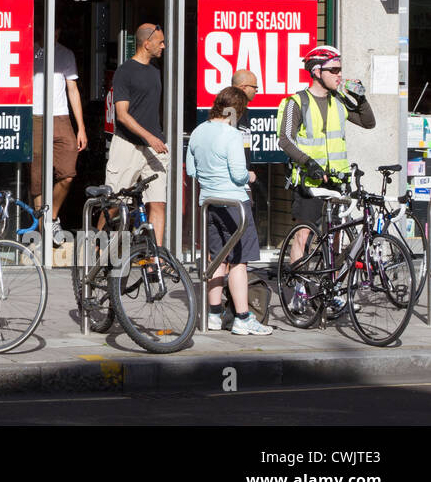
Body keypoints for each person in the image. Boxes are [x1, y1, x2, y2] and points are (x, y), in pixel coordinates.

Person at [278, 45, 375, 264]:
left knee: (337, 237)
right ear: (316, 72)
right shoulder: (297, 102)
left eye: (340, 69)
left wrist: (361, 100)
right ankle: (300, 292)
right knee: (304, 235)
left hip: (337, 180)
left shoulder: (339, 101)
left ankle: (331, 288)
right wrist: (308, 162)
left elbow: (369, 123)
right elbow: (284, 139)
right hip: (310, 181)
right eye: (333, 70)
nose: (339, 74)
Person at [187, 87, 272, 335]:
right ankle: (243, 318)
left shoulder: (198, 132)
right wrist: (251, 176)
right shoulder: (231, 134)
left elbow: (192, 171)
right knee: (238, 262)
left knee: (216, 260)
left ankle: (214, 314)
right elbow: (238, 174)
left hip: (209, 203)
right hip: (235, 204)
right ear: (235, 111)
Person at [105, 23, 169, 246]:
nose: (164, 46)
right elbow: (121, 115)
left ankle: (157, 261)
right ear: (146, 43)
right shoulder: (125, 71)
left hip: (154, 147)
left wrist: (155, 137)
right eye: (160, 42)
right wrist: (149, 137)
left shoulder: (155, 71)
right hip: (128, 145)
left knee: (158, 203)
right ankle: (99, 251)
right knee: (114, 203)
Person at [31, 23, 87, 246]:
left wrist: (81, 127)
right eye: (50, 29)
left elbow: (72, 89)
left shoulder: (65, 54)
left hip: (61, 117)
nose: (54, 33)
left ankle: (51, 217)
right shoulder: (30, 50)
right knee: (37, 175)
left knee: (68, 172)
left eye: (57, 30)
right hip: (34, 115)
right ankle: (41, 227)